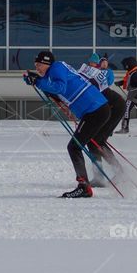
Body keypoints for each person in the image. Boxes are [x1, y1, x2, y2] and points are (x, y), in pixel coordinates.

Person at [25, 50, 112, 198]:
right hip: (95, 109)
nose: (37, 68)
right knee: (90, 143)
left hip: (95, 110)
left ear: (46, 63)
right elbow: (53, 88)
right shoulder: (54, 71)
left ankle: (84, 186)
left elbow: (60, 88)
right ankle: (119, 174)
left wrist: (38, 81)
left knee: (74, 146)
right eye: (35, 65)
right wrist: (34, 80)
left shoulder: (56, 67)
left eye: (38, 65)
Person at [76, 53, 123, 176]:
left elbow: (108, 81)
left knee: (97, 141)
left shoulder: (94, 77)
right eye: (90, 63)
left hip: (115, 107)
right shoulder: (86, 80)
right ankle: (99, 175)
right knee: (92, 141)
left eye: (94, 63)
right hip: (106, 108)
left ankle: (119, 172)